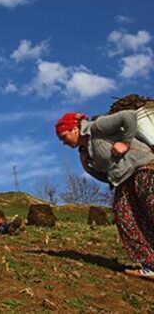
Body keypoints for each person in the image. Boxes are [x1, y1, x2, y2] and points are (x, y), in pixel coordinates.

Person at [56, 110, 154, 280]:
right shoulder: (84, 152)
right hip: (123, 180)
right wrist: (91, 167)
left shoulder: (97, 127)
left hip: (142, 167)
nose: (63, 143)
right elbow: (102, 174)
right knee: (125, 218)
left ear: (74, 129)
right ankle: (150, 264)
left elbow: (129, 116)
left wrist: (125, 143)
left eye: (64, 137)